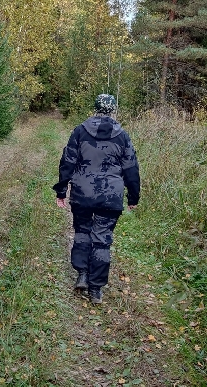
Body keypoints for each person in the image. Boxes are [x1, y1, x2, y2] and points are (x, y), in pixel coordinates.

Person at [53, 94, 140, 304]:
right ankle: (96, 289)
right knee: (102, 241)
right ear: (113, 110)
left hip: (83, 193)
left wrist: (61, 190)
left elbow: (68, 161)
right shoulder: (122, 136)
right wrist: (133, 196)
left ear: (95, 108)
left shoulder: (81, 131)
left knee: (82, 232)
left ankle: (82, 273)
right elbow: (131, 168)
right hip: (110, 196)